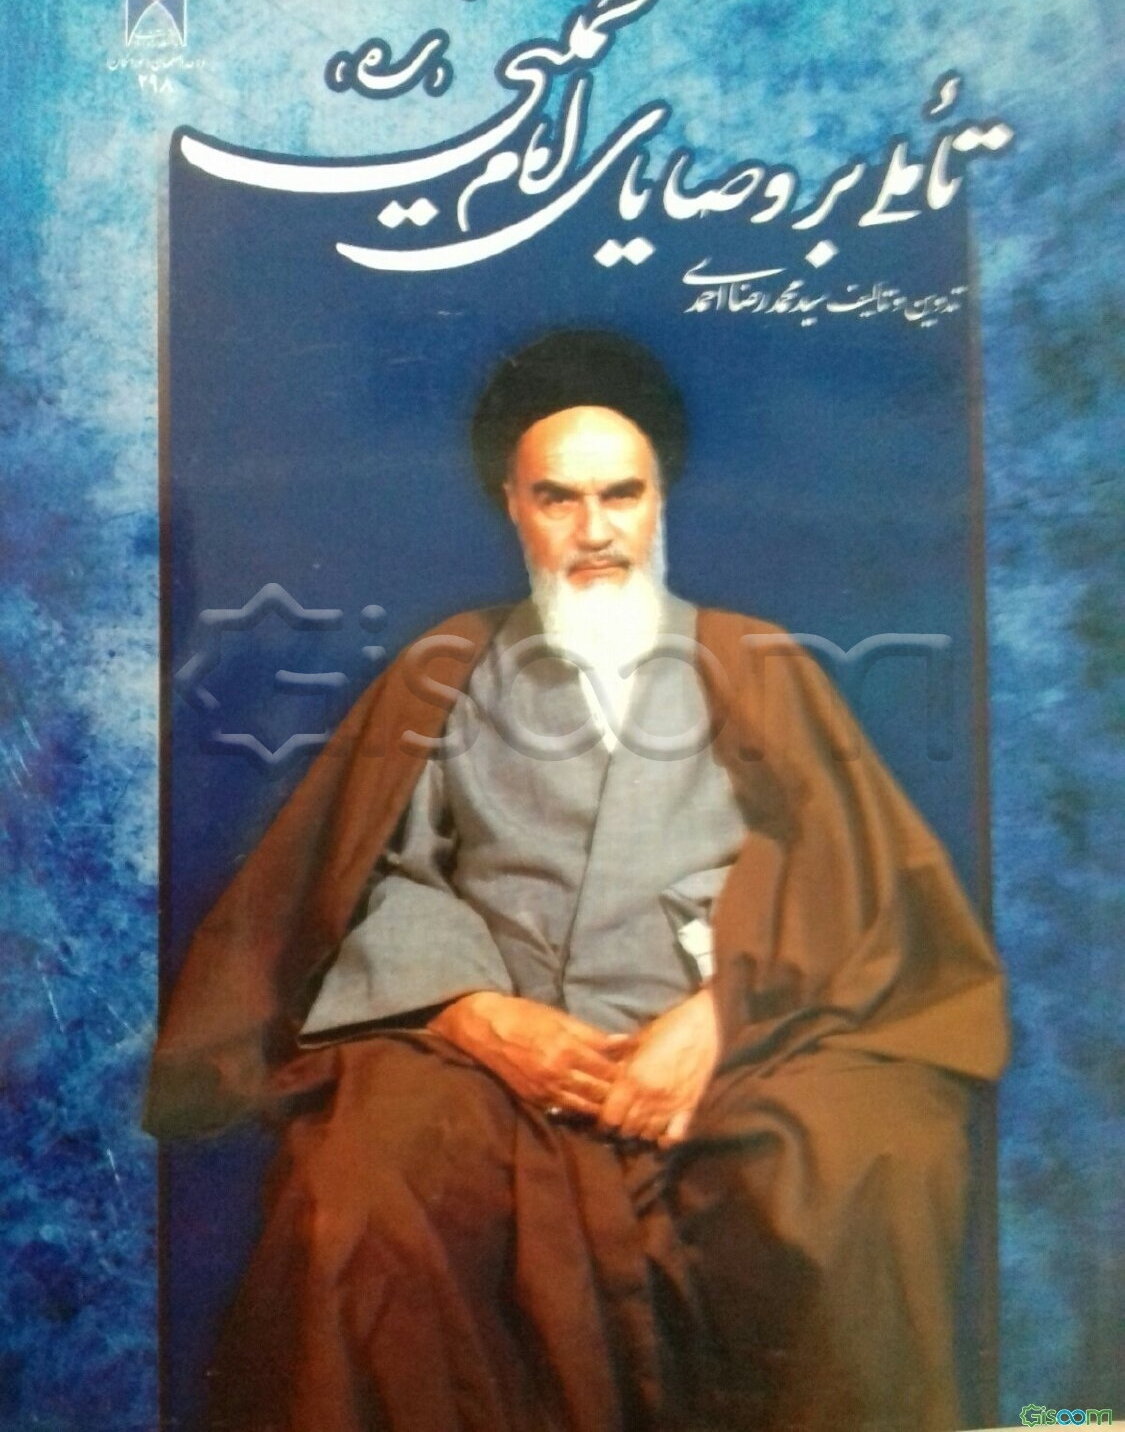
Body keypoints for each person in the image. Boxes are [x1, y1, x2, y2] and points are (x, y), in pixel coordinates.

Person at [146, 330, 1008, 1432]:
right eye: (558, 498)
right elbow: (383, 873)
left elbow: (849, 880)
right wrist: (471, 1013)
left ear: (658, 504)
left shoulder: (754, 662)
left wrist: (720, 1014)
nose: (594, 532)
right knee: (348, 1201)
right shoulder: (445, 667)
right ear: (513, 506)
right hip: (495, 1069)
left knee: (864, 1164)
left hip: (732, 1052)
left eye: (621, 496)